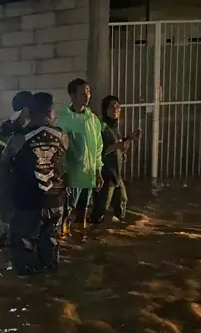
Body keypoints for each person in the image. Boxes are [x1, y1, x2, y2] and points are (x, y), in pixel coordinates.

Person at [1, 92, 68, 274]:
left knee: (23, 251)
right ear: (51, 111)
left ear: (29, 112)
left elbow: (4, 162)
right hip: (55, 202)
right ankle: (49, 290)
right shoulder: (62, 136)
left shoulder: (18, 138)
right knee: (51, 249)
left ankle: (27, 295)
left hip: (27, 202)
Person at [55, 78, 104, 241]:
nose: (87, 95)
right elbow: (59, 150)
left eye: (88, 91)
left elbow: (98, 147)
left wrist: (98, 171)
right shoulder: (64, 119)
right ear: (72, 96)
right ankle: (64, 240)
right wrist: (64, 174)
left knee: (83, 209)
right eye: (82, 92)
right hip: (72, 175)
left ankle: (79, 238)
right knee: (68, 209)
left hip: (88, 174)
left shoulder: (93, 119)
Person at [0, 90, 33, 247]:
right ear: (24, 109)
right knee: (7, 221)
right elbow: (5, 159)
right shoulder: (8, 129)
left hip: (18, 185)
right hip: (8, 183)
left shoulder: (23, 126)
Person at [89, 95, 141, 224]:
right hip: (106, 177)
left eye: (117, 106)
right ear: (105, 110)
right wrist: (119, 145)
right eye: (111, 106)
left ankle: (117, 233)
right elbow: (100, 150)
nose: (115, 109)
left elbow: (118, 146)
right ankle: (91, 235)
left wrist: (129, 139)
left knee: (122, 203)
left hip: (116, 176)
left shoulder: (114, 128)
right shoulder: (102, 127)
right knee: (100, 211)